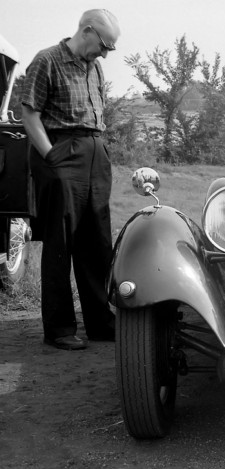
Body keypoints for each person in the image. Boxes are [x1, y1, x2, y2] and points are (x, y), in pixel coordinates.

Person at [21, 9, 121, 350]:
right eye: (105, 45)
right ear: (87, 31)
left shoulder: (96, 67)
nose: (106, 53)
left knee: (97, 243)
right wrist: (50, 156)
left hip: (95, 153)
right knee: (60, 244)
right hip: (62, 152)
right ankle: (60, 329)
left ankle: (100, 323)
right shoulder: (46, 60)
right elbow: (29, 113)